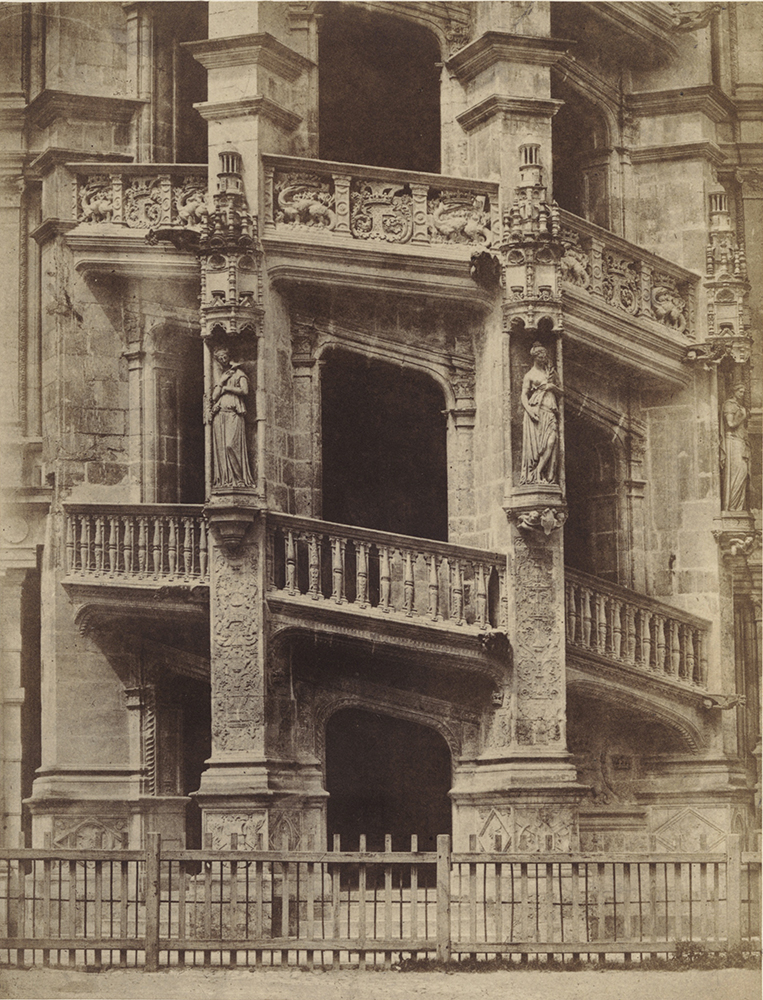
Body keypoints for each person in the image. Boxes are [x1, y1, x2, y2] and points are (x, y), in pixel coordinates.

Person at [211, 347, 255, 488]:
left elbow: (245, 390)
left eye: (225, 357)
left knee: (230, 445)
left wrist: (227, 388)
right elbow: (214, 397)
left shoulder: (239, 374)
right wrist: (222, 381)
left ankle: (239, 479)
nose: (223, 360)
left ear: (229, 356)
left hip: (234, 414)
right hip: (220, 415)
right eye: (220, 358)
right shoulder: (222, 376)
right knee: (222, 449)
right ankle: (226, 480)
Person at [520, 342, 562, 485]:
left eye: (545, 356)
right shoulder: (530, 375)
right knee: (537, 448)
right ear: (535, 357)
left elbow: (561, 392)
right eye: (541, 356)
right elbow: (524, 395)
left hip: (550, 413)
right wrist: (529, 410)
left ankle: (540, 471)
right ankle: (536, 474)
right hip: (537, 413)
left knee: (551, 442)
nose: (544, 358)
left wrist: (552, 387)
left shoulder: (551, 373)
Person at [721, 382, 750, 511]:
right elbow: (730, 424)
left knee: (743, 472)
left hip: (740, 441)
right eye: (740, 391)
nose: (742, 394)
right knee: (737, 472)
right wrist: (742, 417)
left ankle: (738, 507)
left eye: (743, 392)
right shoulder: (729, 405)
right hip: (733, 441)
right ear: (734, 391)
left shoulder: (739, 406)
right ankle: (732, 507)